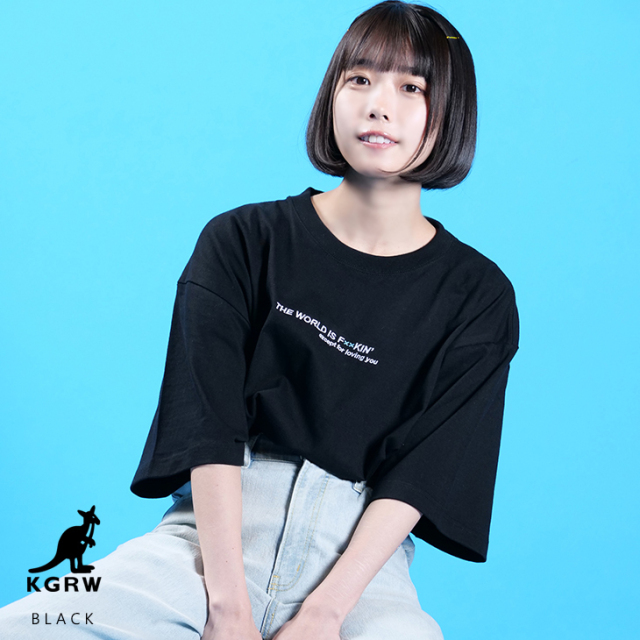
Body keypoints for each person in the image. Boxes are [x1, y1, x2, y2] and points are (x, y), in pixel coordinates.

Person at [0, 1, 519, 638]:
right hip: (207, 545)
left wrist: (325, 614)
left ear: (452, 112)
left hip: (362, 572)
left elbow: (424, 471)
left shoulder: (478, 297)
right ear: (332, 95)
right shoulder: (242, 241)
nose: (378, 106)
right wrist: (228, 607)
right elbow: (207, 424)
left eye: (412, 88)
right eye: (359, 79)